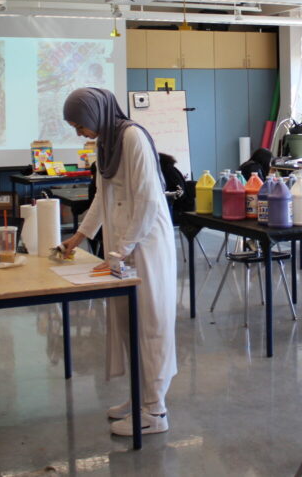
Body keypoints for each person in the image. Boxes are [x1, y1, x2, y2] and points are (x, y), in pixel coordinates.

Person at [58, 88, 177, 435]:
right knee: (127, 322)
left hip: (147, 247)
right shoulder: (105, 142)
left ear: (95, 114)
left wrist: (122, 249)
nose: (78, 132)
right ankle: (141, 397)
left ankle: (156, 411)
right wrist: (79, 237)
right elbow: (102, 196)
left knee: (151, 324)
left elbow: (148, 202)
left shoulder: (132, 138)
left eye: (80, 124)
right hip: (122, 248)